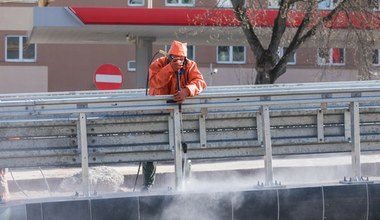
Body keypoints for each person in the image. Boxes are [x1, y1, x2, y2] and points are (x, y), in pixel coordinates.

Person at [142, 40, 207, 191]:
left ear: (185, 58)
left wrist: (187, 91)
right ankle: (147, 184)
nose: (178, 62)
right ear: (169, 56)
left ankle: (184, 182)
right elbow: (155, 83)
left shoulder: (190, 65)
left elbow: (200, 82)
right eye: (174, 58)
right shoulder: (158, 64)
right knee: (151, 147)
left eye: (181, 59)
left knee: (183, 146)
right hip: (157, 114)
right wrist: (169, 69)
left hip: (179, 113)